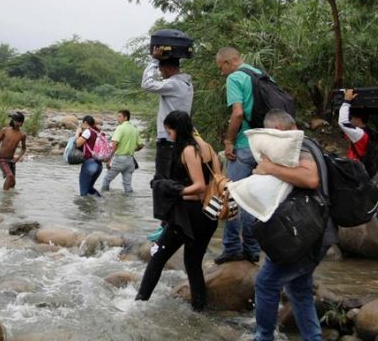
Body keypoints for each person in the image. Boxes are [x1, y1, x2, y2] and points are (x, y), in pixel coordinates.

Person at [253, 109, 328, 341]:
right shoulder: (308, 143)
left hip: (304, 234)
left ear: (275, 130)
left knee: (266, 283)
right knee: (299, 289)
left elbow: (310, 179)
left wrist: (269, 168)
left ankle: (264, 337)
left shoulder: (299, 147)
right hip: (315, 232)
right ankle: (312, 338)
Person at [136, 110, 219, 311]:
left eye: (169, 132)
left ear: (176, 130)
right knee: (193, 264)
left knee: (157, 257)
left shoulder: (189, 150)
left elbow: (199, 185)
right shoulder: (207, 147)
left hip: (188, 216)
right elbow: (216, 181)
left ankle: (138, 304)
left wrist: (175, 191)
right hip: (209, 214)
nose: (169, 136)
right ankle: (200, 309)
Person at [214, 46, 261, 264]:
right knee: (253, 200)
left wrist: (229, 141)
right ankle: (252, 249)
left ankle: (232, 247)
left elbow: (239, 113)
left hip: (244, 144)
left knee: (232, 197)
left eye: (221, 67)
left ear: (228, 62)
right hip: (264, 146)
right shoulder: (259, 74)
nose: (222, 73)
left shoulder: (235, 78)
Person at [141, 46, 194, 179]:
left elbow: (147, 84)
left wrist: (154, 60)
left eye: (161, 70)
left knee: (163, 180)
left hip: (168, 140)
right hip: (180, 138)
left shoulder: (173, 84)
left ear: (170, 69)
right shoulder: (187, 84)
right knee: (175, 178)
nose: (161, 74)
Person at [100, 110, 144, 194]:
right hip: (130, 160)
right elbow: (141, 145)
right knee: (127, 186)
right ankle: (130, 204)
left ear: (125, 118)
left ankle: (103, 200)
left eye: (119, 116)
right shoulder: (134, 129)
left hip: (119, 159)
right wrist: (132, 149)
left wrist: (109, 159)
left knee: (106, 180)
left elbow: (115, 144)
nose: (117, 118)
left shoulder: (120, 128)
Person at [0, 111, 27, 191]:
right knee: (10, 176)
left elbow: (23, 148)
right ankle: (5, 200)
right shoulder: (5, 130)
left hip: (11, 161)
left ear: (21, 123)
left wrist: (18, 157)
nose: (16, 122)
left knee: (12, 183)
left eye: (18, 121)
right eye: (14, 120)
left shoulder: (22, 135)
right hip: (1, 159)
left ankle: (8, 199)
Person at [337, 89, 373, 162]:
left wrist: (346, 101)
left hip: (356, 169)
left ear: (358, 119)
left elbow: (342, 122)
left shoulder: (359, 134)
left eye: (351, 118)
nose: (349, 120)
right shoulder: (367, 132)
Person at [75, 115, 103, 197]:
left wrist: (77, 133)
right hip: (99, 165)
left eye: (82, 124)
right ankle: (101, 202)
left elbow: (77, 144)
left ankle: (84, 209)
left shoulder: (88, 131)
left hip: (89, 163)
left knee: (83, 193)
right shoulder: (97, 132)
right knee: (90, 188)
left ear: (85, 123)